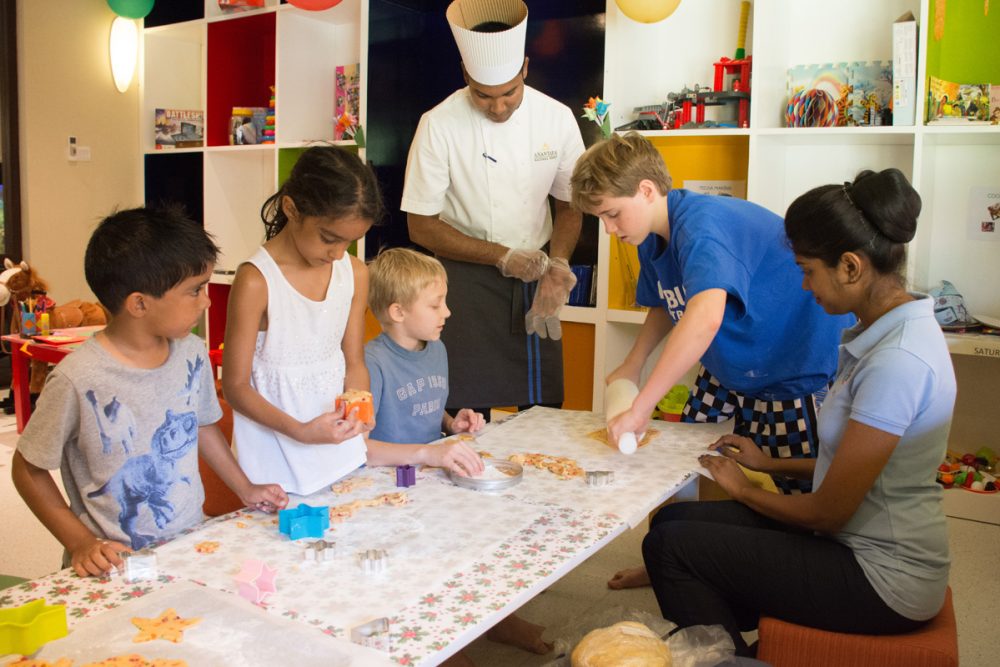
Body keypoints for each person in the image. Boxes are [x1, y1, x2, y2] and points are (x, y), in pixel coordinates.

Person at [641, 168, 955, 656]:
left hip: (881, 578)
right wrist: (769, 464)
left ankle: (728, 659)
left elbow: (827, 512)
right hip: (857, 541)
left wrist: (745, 490)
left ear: (851, 266)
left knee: (671, 550)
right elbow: (857, 465)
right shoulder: (887, 335)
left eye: (808, 270)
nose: (804, 286)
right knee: (670, 524)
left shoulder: (898, 362)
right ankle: (730, 641)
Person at [569, 132, 854, 589]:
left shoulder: (703, 224)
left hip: (789, 365)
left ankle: (808, 576)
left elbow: (703, 316)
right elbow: (666, 302)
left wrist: (641, 406)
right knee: (681, 462)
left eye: (611, 214)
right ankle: (672, 559)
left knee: (803, 485)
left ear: (646, 190)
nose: (609, 229)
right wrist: (633, 364)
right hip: (730, 365)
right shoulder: (650, 236)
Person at [11, 206, 288, 578]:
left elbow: (202, 425)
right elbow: (27, 469)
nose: (206, 301)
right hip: (112, 566)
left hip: (188, 545)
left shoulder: (191, 351)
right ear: (139, 303)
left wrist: (245, 488)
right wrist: (79, 542)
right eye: (194, 291)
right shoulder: (77, 379)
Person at [364, 247, 551, 661]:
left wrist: (452, 424)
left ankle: (498, 617)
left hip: (435, 475)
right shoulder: (371, 362)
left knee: (487, 534)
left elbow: (428, 409)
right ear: (397, 311)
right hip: (390, 488)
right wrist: (429, 454)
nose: (447, 312)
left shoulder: (436, 348)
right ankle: (440, 644)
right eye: (435, 304)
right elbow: (360, 447)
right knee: (427, 567)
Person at [401, 0, 585, 419]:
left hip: (539, 281)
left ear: (524, 68)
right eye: (483, 96)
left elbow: (570, 203)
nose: (498, 107)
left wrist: (558, 263)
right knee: (466, 412)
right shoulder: (438, 124)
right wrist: (501, 256)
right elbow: (421, 226)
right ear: (466, 75)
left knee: (544, 408)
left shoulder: (556, 118)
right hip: (462, 281)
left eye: (509, 94)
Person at [223, 145, 380, 496]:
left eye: (350, 243)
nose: (338, 254)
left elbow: (354, 362)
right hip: (273, 462)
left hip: (339, 452)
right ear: (291, 208)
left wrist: (360, 411)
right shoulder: (256, 280)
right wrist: (299, 430)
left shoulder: (353, 273)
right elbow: (235, 387)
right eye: (329, 238)